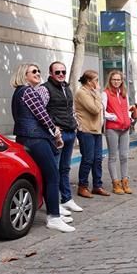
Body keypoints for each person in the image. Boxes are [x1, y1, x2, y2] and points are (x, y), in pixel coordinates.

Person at [10, 63, 75, 233]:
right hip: (36, 138)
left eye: (38, 71)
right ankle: (53, 216)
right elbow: (43, 116)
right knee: (53, 175)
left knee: (47, 175)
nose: (38, 73)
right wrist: (56, 134)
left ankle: (55, 212)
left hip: (28, 138)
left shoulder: (18, 92)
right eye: (33, 71)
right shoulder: (28, 91)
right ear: (24, 75)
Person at [44, 60, 82, 213]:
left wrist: (75, 122)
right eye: (57, 72)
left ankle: (66, 199)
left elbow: (69, 109)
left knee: (65, 168)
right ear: (51, 73)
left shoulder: (66, 88)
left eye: (63, 72)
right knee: (54, 170)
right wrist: (53, 127)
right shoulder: (45, 89)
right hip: (57, 135)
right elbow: (42, 111)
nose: (61, 74)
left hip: (70, 132)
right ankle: (54, 202)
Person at [74, 70, 109, 199]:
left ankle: (97, 186)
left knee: (98, 159)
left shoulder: (92, 93)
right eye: (96, 80)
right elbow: (95, 109)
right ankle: (82, 186)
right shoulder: (82, 93)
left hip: (96, 130)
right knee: (88, 159)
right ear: (89, 81)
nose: (98, 83)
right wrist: (98, 95)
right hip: (86, 130)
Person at [102, 70, 133, 195]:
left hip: (125, 128)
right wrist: (112, 117)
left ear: (122, 81)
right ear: (110, 80)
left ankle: (125, 181)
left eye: (118, 80)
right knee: (113, 156)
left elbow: (127, 108)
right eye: (114, 79)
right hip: (112, 129)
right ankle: (115, 183)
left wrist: (130, 117)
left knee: (124, 156)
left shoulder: (124, 93)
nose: (116, 82)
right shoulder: (105, 93)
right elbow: (102, 111)